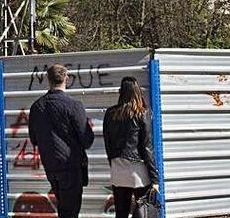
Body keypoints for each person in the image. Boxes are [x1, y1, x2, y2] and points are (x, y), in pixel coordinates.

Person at [28, 64, 95, 218]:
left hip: (50, 165)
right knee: (71, 210)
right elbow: (87, 140)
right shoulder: (73, 105)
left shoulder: (37, 107)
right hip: (71, 165)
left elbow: (34, 139)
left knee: (63, 207)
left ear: (48, 80)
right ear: (67, 78)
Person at [102, 76, 159, 218]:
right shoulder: (142, 113)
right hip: (138, 171)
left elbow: (107, 143)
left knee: (121, 212)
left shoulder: (110, 113)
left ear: (121, 92)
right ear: (137, 92)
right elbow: (147, 147)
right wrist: (155, 179)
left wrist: (114, 163)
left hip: (118, 169)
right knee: (143, 209)